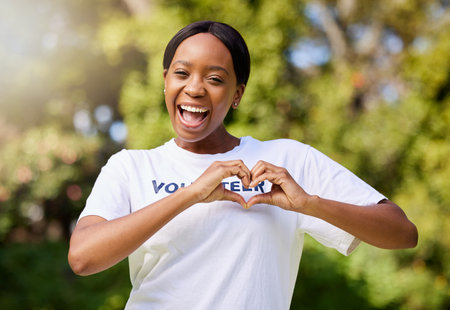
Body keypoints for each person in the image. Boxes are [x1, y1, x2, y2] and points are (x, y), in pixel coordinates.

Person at [68, 20, 418, 309]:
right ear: (165, 82)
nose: (194, 88)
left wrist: (308, 204)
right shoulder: (132, 167)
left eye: (215, 79)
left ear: (237, 94)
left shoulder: (287, 160)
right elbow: (83, 258)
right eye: (181, 73)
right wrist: (190, 194)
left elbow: (402, 232)